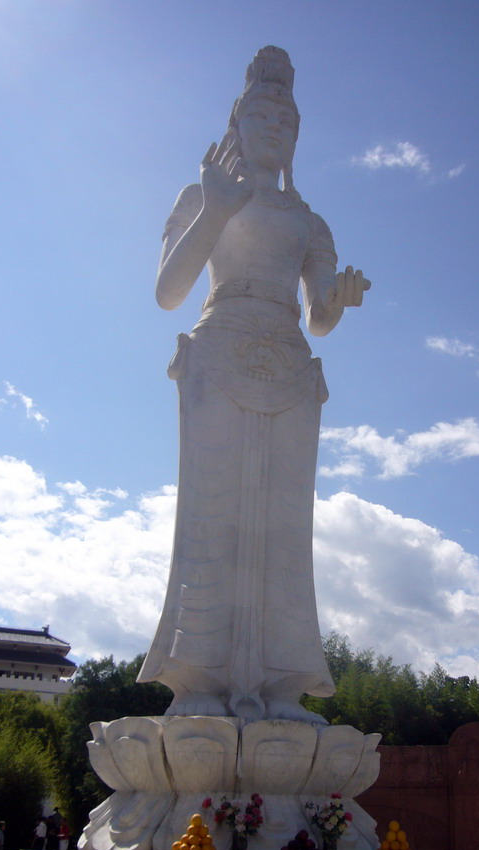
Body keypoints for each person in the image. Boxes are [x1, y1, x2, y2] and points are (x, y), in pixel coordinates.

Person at [137, 46, 370, 722]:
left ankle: (276, 685)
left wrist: (338, 299)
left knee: (283, 528)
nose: (276, 125)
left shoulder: (309, 220)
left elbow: (319, 312)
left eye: (287, 119)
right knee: (214, 516)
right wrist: (215, 209)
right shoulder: (201, 194)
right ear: (237, 121)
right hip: (219, 349)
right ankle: (200, 682)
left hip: (292, 367)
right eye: (263, 112)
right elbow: (167, 292)